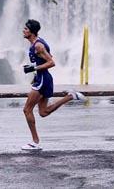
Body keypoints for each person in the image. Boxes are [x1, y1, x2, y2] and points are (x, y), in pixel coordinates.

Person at [21, 19, 86, 151]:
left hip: (43, 79)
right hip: (42, 78)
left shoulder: (38, 46)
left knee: (27, 110)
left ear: (32, 32)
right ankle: (70, 96)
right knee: (43, 112)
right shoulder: (37, 43)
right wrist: (34, 67)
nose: (23, 30)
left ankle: (35, 142)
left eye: (26, 29)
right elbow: (48, 56)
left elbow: (51, 62)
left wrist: (34, 69)